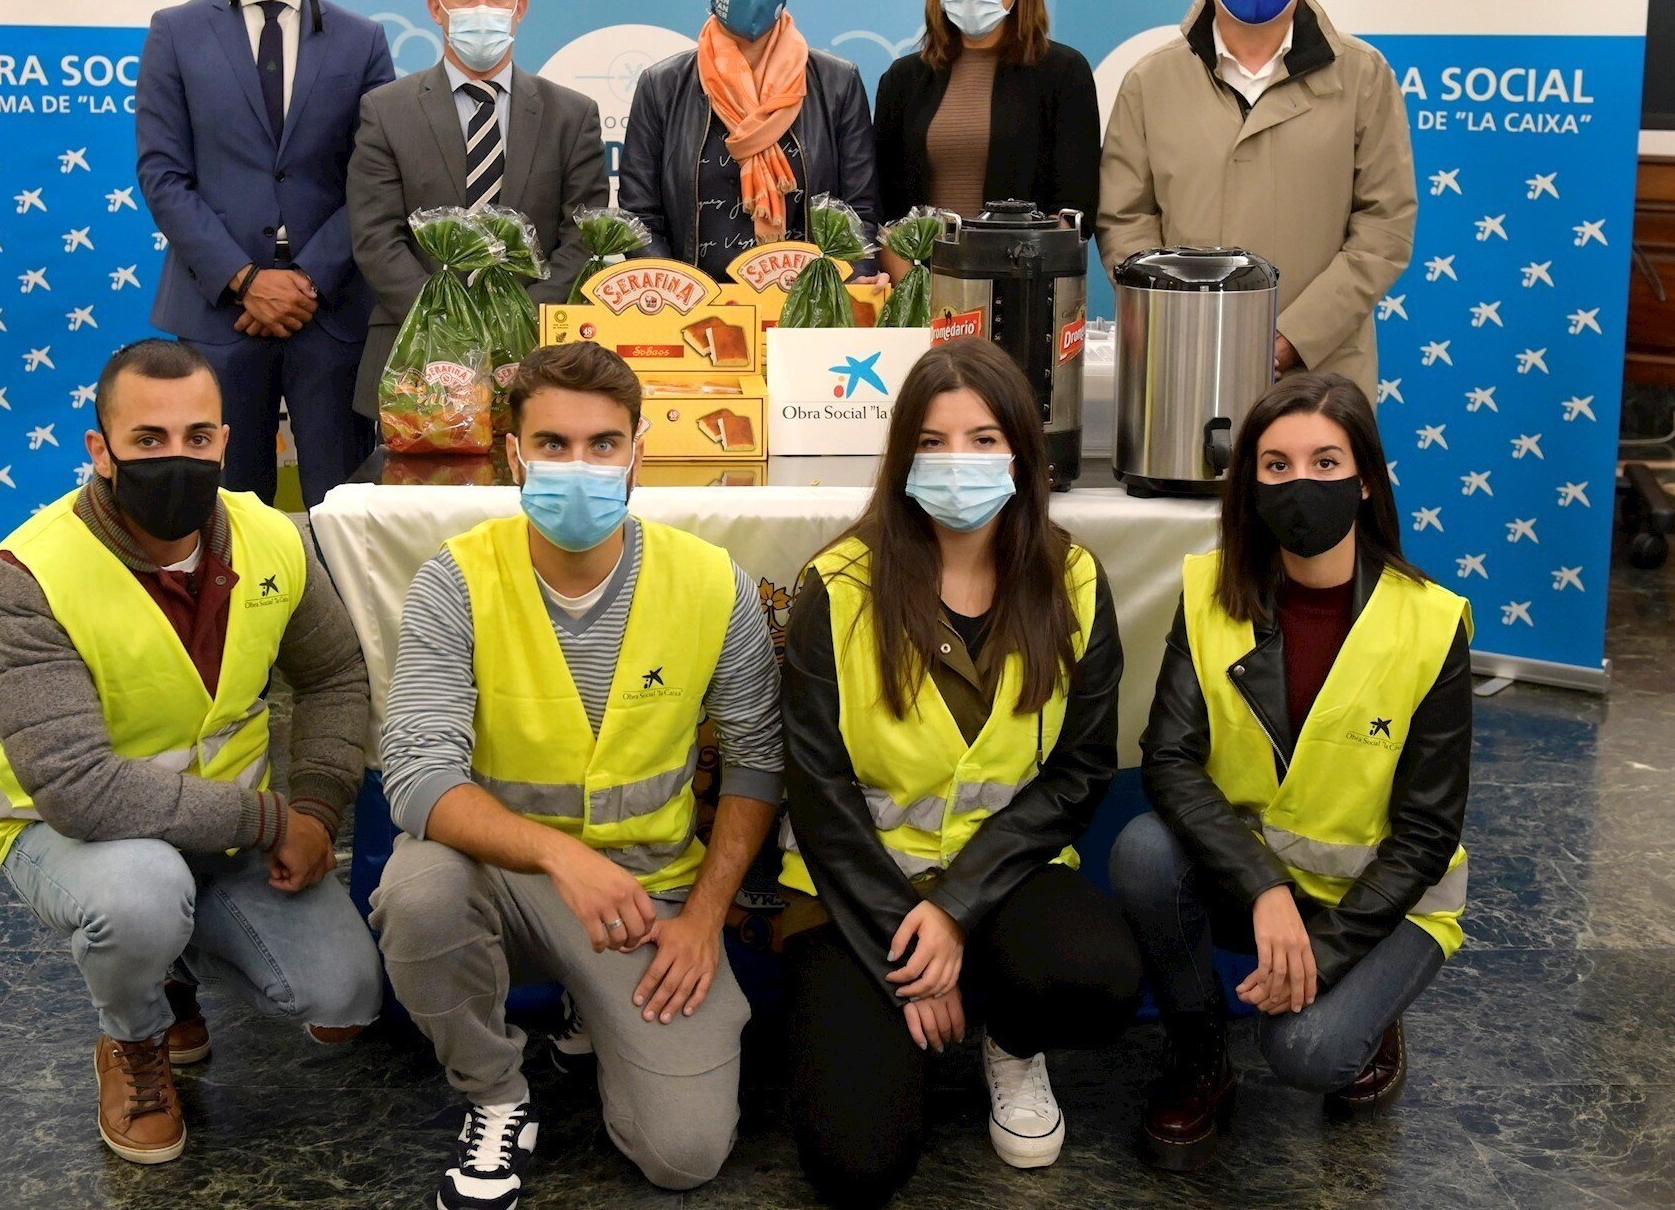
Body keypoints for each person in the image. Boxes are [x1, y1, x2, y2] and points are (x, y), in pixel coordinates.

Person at [369, 341, 782, 1210]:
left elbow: (757, 761)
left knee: (684, 1155)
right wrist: (562, 857)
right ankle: (496, 1096)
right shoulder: (457, 579)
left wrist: (705, 917)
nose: (580, 465)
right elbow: (415, 774)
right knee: (418, 893)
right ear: (513, 455)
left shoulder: (713, 583)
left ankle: (590, 1007)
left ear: (638, 454)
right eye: (553, 444)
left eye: (603, 444)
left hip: (650, 894)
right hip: (503, 881)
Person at [0, 339, 382, 1165]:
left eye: (197, 438)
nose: (176, 458)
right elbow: (77, 789)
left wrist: (316, 806)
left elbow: (336, 674)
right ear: (102, 451)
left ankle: (172, 966)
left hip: (222, 837)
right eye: (148, 440)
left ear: (225, 442)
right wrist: (274, 821)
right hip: (73, 834)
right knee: (141, 900)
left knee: (345, 995)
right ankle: (133, 1035)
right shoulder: (28, 572)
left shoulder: (273, 538)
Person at [780, 337, 1141, 1207]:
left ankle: (1011, 1042)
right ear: (902, 459)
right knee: (857, 1167)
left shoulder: (1073, 580)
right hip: (851, 893)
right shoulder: (837, 587)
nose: (958, 462)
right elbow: (820, 795)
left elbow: (1081, 771)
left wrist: (953, 909)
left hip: (1004, 878)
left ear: (1022, 451)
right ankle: (908, 1013)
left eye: (983, 440)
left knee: (1098, 979)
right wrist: (905, 951)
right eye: (932, 442)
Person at [1109, 372, 1471, 1171]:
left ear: (1366, 480)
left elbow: (1427, 833)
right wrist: (1265, 888)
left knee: (1307, 1052)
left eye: (1325, 462)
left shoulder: (1431, 623)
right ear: (1250, 483)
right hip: (1259, 885)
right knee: (1142, 852)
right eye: (1276, 466)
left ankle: (1370, 1005)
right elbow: (1169, 758)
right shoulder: (1210, 594)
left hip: (1383, 901)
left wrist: (1328, 954)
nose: (1300, 484)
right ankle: (1199, 1051)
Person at [138, 0, 396, 509]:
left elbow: (375, 178)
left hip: (331, 313)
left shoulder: (363, 40)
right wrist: (245, 279)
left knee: (346, 512)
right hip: (218, 314)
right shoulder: (175, 32)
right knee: (223, 514)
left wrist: (307, 279)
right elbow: (163, 174)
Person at [1096, 0, 1416, 394]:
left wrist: (1294, 336)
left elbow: (1385, 227)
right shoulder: (1150, 81)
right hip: (1184, 364)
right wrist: (1180, 319)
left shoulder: (1363, 76)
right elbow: (1124, 219)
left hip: (1319, 373)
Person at [348, 0, 608, 420]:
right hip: (414, 358)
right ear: (437, 7)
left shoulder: (572, 115)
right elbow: (376, 238)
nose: (482, 7)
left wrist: (515, 324)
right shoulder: (385, 111)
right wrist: (447, 323)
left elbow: (582, 237)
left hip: (541, 364)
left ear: (519, 7)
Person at [621, 0, 880, 278]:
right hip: (694, 305)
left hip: (812, 306)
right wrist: (674, 295)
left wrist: (847, 289)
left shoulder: (838, 82)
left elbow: (860, 211)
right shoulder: (661, 87)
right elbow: (640, 217)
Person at [873, 0, 1099, 263]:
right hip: (919, 286)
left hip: (1025, 281)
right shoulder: (903, 79)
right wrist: (912, 284)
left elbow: (1074, 209)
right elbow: (884, 210)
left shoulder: (1063, 73)